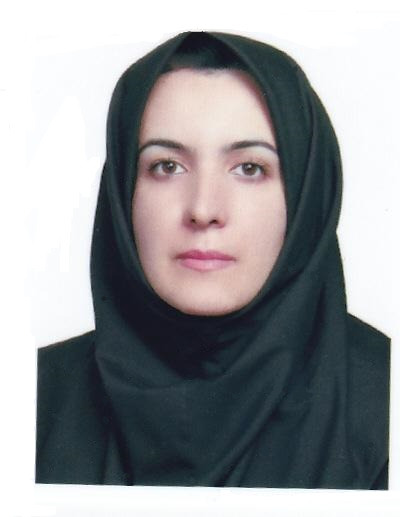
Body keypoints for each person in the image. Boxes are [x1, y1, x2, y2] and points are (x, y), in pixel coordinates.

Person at [35, 31, 390, 488]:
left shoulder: (386, 401)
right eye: (167, 166)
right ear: (123, 191)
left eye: (249, 168)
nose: (203, 209)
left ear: (306, 195)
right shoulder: (30, 397)